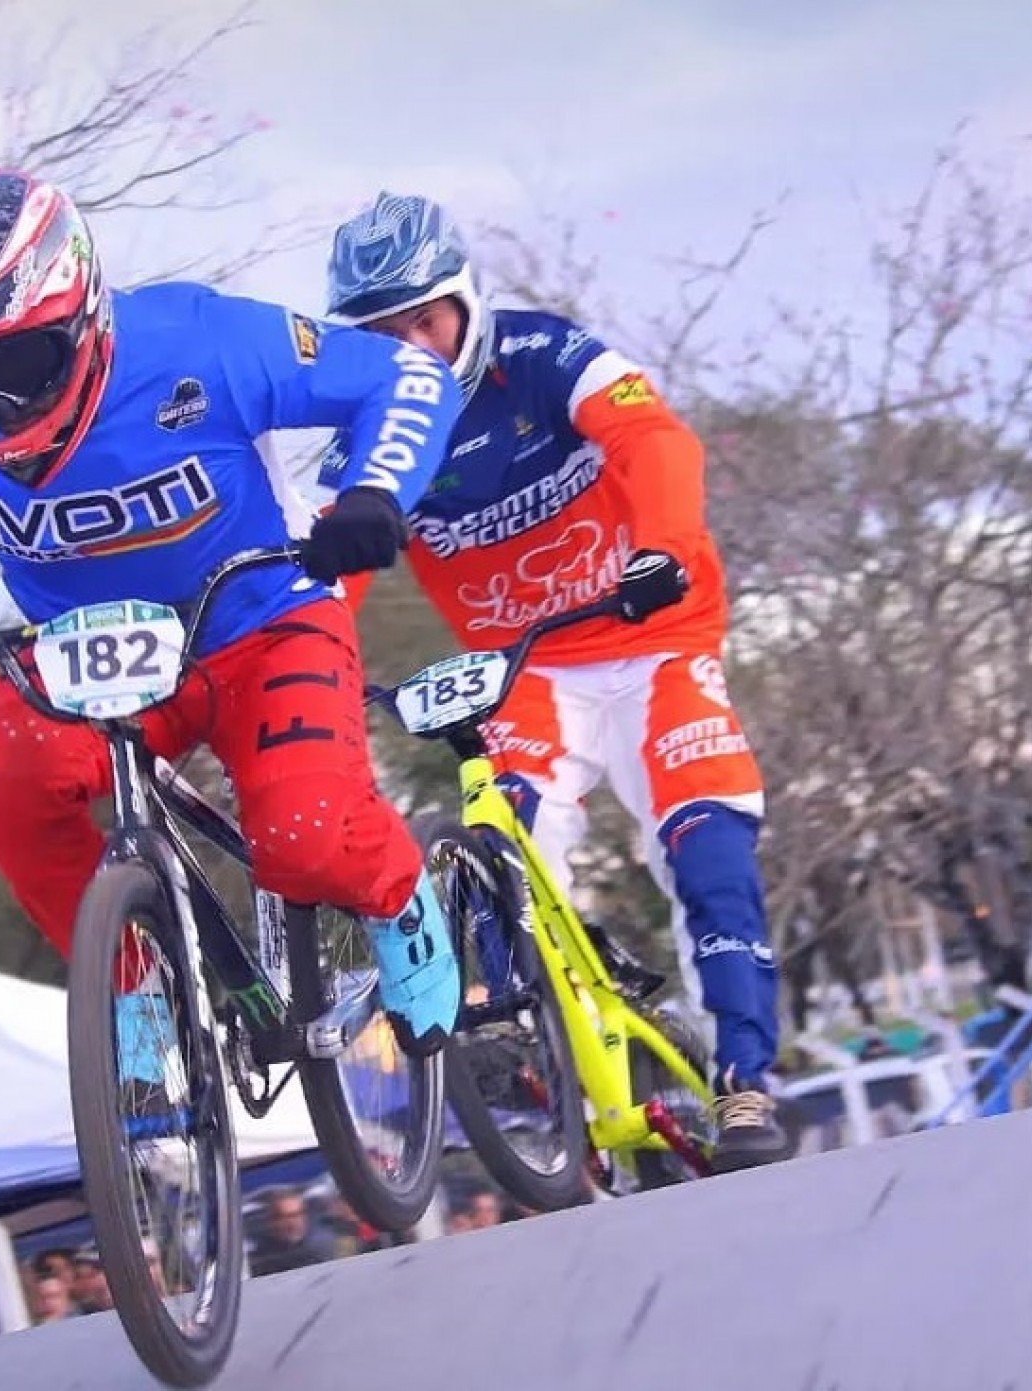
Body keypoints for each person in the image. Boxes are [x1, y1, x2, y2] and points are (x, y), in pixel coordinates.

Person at [0, 162, 466, 1056]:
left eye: (13, 356)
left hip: (260, 622)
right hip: (80, 650)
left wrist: (376, 493)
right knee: (1, 793)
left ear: (81, 318)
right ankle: (135, 990)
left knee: (305, 838)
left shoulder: (199, 340)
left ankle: (399, 897)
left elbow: (405, 376)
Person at [322, 192, 789, 1165]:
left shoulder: (542, 354)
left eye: (424, 318)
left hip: (658, 637)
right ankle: (533, 1044)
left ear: (465, 299)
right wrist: (303, 663)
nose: (409, 344)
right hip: (527, 670)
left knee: (708, 858)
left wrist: (659, 546)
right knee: (500, 845)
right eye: (381, 332)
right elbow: (334, 568)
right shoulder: (367, 425)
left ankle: (746, 1078)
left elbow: (658, 440)